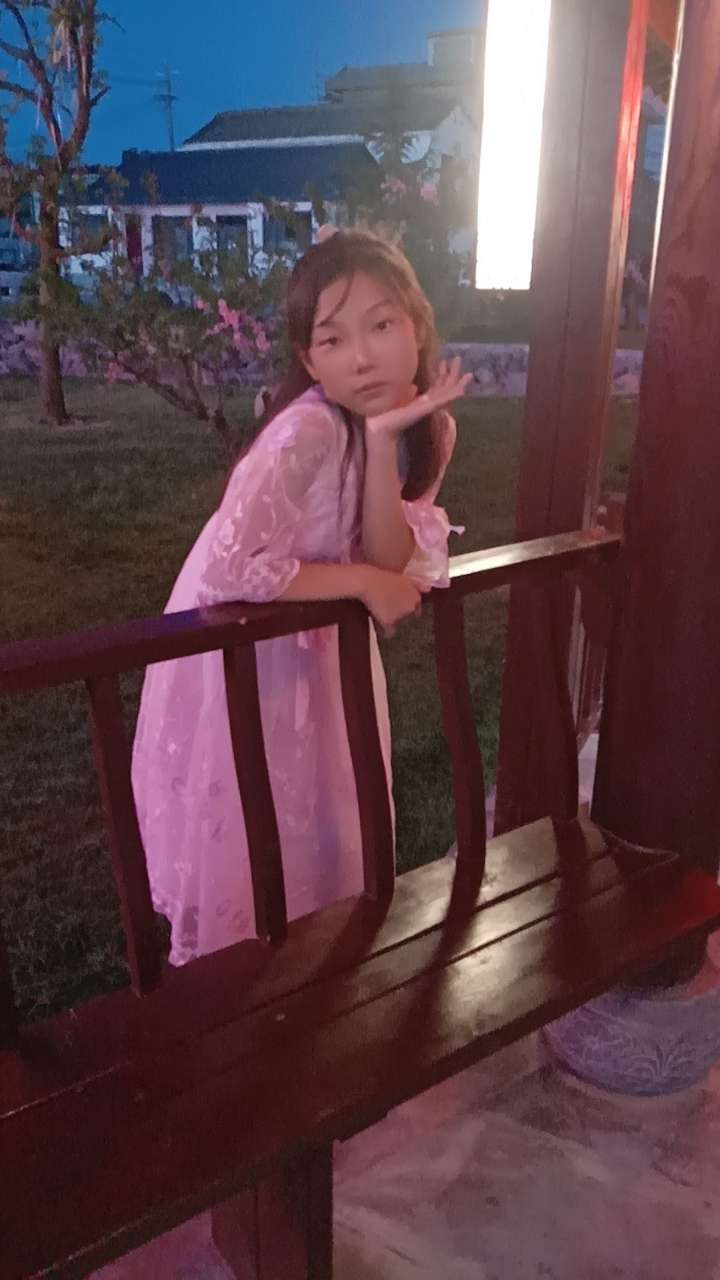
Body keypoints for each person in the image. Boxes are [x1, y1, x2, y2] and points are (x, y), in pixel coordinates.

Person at [131, 228, 470, 966]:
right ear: (310, 361)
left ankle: (319, 965)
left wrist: (383, 442)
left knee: (330, 807)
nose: (362, 356)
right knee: (252, 810)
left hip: (321, 643)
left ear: (416, 326)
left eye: (381, 325)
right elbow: (231, 569)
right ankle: (245, 978)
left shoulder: (426, 429)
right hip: (247, 638)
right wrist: (362, 583)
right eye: (333, 339)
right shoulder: (306, 430)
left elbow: (389, 554)